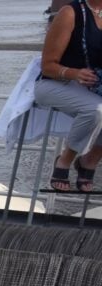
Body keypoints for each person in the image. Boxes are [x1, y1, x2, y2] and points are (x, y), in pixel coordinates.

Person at [37, 0, 102, 192]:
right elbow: (47, 65)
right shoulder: (70, 13)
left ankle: (89, 161)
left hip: (92, 86)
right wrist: (74, 73)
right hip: (55, 83)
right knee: (96, 110)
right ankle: (64, 161)